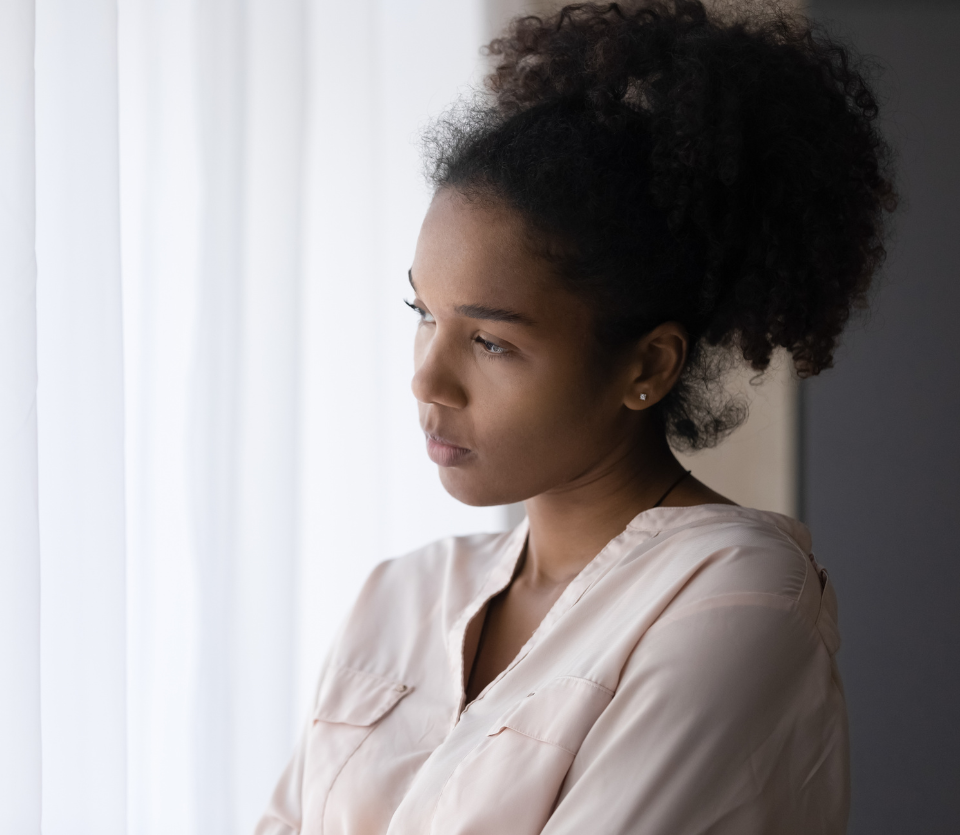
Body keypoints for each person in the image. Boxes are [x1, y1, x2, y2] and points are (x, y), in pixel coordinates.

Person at [256, 1, 896, 833]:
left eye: (489, 341)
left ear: (646, 366)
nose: (427, 379)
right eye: (424, 313)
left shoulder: (734, 597)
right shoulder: (400, 595)